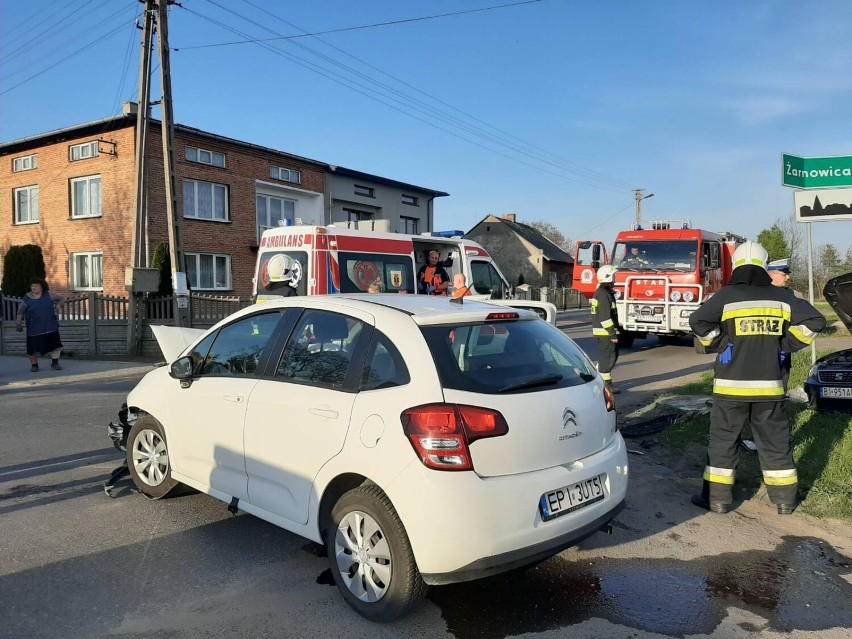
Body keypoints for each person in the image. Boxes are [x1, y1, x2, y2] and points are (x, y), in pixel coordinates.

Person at [689, 241, 825, 516]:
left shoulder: (726, 296)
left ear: (737, 266)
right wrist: (785, 344)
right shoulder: (782, 298)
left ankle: (717, 501)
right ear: (764, 267)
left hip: (730, 388)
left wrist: (719, 342)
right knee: (775, 442)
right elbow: (816, 321)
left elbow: (698, 321)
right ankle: (785, 500)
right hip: (769, 387)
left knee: (723, 442)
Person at [15, 277, 65, 372]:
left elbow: (62, 298)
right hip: (34, 328)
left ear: (42, 287)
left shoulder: (49, 294)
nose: (33, 288)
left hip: (50, 326)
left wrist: (59, 305)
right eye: (32, 286)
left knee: (55, 346)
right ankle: (34, 365)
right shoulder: (26, 298)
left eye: (36, 286)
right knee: (32, 348)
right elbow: (20, 312)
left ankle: (55, 363)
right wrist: (18, 324)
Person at [767, 258, 799, 391]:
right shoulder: (759, 294)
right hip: (764, 348)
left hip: (784, 349)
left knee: (781, 387)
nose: (788, 277)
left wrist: (789, 344)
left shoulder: (789, 295)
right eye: (784, 274)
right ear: (772, 274)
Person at [591, 264, 620, 394]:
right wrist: (612, 334)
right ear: (608, 277)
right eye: (614, 276)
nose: (615, 279)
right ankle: (606, 385)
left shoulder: (603, 292)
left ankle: (598, 379)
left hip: (604, 332)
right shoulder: (603, 295)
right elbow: (605, 318)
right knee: (608, 358)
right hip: (605, 333)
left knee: (609, 357)